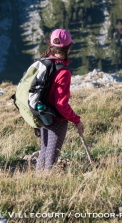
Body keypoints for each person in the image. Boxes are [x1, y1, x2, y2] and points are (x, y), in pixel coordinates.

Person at [36, 29, 84, 172]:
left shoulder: (44, 63)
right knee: (51, 155)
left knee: (44, 152)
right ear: (68, 47)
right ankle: (47, 185)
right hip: (56, 119)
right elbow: (61, 104)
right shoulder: (63, 72)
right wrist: (76, 120)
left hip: (42, 114)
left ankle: (37, 181)